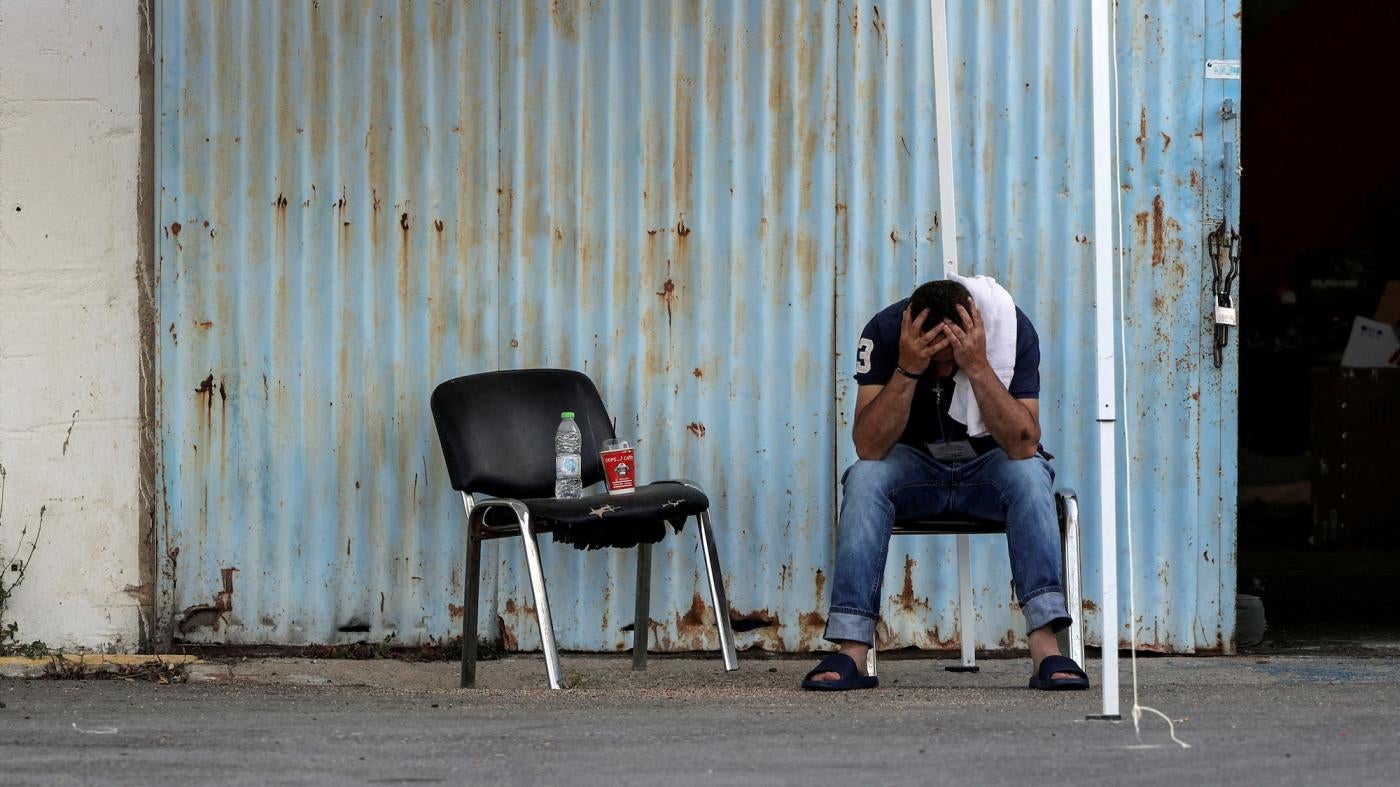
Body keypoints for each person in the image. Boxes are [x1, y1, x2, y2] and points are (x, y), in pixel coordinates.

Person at [802, 278, 1089, 691]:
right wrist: (908, 368)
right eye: (934, 358)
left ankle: (1046, 647)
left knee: (1030, 475)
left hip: (989, 467)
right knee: (864, 478)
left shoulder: (1011, 330)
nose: (941, 371)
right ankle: (851, 650)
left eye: (947, 358)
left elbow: (1024, 444)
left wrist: (976, 365)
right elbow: (867, 445)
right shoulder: (884, 331)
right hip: (913, 467)